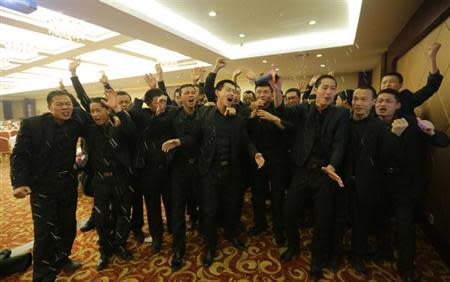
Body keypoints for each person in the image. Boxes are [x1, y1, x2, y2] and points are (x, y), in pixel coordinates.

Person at [162, 79, 265, 267]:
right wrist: (178, 142)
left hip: (232, 172)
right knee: (209, 211)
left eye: (235, 91)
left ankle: (232, 234)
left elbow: (245, 141)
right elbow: (193, 137)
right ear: (217, 93)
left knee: (233, 207)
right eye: (228, 90)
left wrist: (255, 153)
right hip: (209, 172)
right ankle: (210, 246)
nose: (233, 94)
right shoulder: (204, 115)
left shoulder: (238, 117)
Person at [274, 74, 349, 281]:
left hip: (325, 173)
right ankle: (293, 246)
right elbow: (282, 112)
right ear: (315, 89)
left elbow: (340, 143)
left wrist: (333, 165)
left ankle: (317, 260)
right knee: (289, 211)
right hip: (302, 170)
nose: (328, 92)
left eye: (332, 88)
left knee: (322, 219)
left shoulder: (340, 114)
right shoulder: (303, 109)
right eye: (324, 87)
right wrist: (277, 89)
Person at [11, 90, 90, 281]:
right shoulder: (33, 124)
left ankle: (62, 258)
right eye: (59, 104)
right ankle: (43, 274)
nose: (65, 107)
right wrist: (19, 183)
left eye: (68, 103)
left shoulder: (76, 121)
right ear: (49, 107)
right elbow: (19, 154)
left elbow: (94, 120)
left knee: (67, 226)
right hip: (43, 186)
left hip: (67, 184)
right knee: (45, 231)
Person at [374, 88, 449, 282]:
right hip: (381, 184)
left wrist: (431, 131)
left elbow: (443, 140)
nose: (382, 104)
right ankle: (384, 252)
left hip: (405, 187)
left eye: (388, 101)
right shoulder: (373, 125)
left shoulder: (410, 123)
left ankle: (406, 268)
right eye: (379, 101)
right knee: (381, 220)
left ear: (398, 105)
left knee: (405, 226)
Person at [333, 87, 399, 276]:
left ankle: (358, 256)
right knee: (337, 221)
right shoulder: (343, 120)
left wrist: (394, 136)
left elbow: (386, 158)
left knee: (361, 224)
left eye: (364, 99)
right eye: (356, 99)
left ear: (373, 102)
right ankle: (335, 255)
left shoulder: (379, 127)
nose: (359, 103)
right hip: (341, 181)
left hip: (366, 184)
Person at [380, 42, 443, 116]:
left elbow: (430, 87)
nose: (387, 84)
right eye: (384, 82)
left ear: (400, 85)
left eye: (392, 82)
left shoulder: (405, 98)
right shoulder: (374, 101)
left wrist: (432, 58)